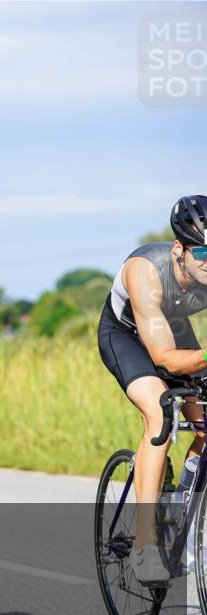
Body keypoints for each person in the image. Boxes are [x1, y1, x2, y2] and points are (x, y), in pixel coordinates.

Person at [97, 194, 207, 584]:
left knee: (204, 425)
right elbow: (163, 359)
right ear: (180, 249)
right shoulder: (146, 272)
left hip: (174, 329)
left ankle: (184, 516)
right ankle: (145, 542)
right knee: (160, 413)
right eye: (203, 251)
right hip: (126, 336)